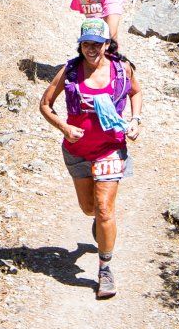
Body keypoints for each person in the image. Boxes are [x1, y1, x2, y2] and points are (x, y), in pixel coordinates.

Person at [39, 17, 143, 299]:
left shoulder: (122, 69)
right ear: (80, 45)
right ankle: (99, 223)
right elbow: (45, 105)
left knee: (106, 210)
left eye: (97, 44)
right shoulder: (69, 72)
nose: (91, 49)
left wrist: (135, 120)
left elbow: (136, 92)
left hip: (111, 147)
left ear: (107, 44)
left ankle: (105, 269)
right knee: (89, 209)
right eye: (87, 44)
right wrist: (63, 126)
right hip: (78, 151)